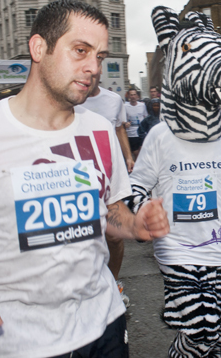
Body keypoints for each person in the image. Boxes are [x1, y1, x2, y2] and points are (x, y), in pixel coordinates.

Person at [0, 0, 169, 358]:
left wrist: (136, 226)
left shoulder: (101, 131)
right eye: (80, 51)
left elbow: (110, 212)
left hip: (104, 323)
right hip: (15, 341)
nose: (93, 68)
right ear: (39, 47)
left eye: (100, 57)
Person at [128, 5, 221, 357]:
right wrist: (142, 213)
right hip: (179, 251)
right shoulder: (161, 136)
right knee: (201, 331)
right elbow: (135, 188)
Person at [80, 74, 135, 307]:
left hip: (110, 174)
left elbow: (120, 129)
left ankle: (112, 283)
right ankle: (85, 289)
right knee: (84, 236)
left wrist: (129, 156)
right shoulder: (72, 98)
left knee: (114, 235)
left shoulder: (113, 100)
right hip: (79, 175)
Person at [124, 88, 148, 160]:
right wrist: (126, 124)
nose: (133, 96)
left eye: (134, 95)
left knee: (141, 152)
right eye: (131, 95)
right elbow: (123, 120)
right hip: (131, 133)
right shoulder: (125, 106)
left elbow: (146, 117)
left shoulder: (142, 105)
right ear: (129, 96)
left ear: (137, 96)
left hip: (141, 133)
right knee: (135, 153)